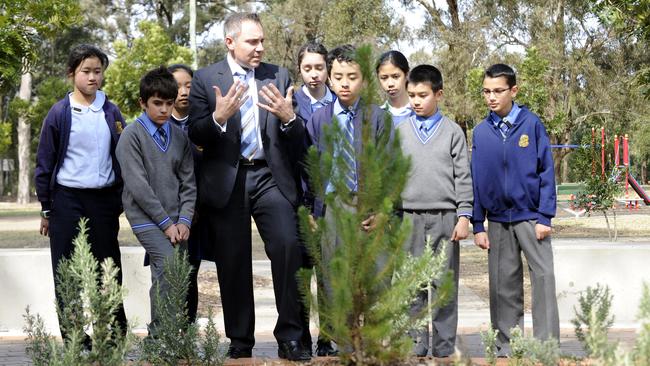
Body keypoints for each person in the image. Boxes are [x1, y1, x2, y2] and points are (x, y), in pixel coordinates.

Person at [187, 12, 310, 361]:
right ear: (230, 43)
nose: (260, 48)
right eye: (252, 42)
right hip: (228, 178)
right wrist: (218, 117)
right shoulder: (206, 78)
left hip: (270, 176)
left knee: (288, 246)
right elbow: (195, 133)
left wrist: (289, 119)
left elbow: (297, 136)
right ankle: (240, 340)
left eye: (262, 41)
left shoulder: (278, 75)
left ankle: (289, 337)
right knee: (233, 260)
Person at [34, 44, 128, 345]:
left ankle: (112, 334)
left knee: (107, 268)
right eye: (86, 71)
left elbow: (124, 154)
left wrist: (119, 197)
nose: (92, 78)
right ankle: (76, 338)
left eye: (97, 72)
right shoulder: (59, 113)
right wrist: (46, 209)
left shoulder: (111, 111)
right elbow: (45, 162)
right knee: (68, 273)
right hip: (66, 201)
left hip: (103, 202)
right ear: (72, 73)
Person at [304, 44, 389, 353]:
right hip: (331, 208)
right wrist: (311, 209)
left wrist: (381, 210)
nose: (344, 83)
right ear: (329, 77)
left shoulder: (377, 117)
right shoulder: (318, 119)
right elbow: (310, 169)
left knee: (373, 276)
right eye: (338, 76)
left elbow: (388, 166)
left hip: (366, 207)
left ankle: (372, 341)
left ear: (363, 79)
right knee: (331, 275)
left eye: (351, 76)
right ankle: (339, 344)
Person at [471, 63, 559, 356]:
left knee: (543, 277)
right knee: (502, 285)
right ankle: (507, 346)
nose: (491, 97)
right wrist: (478, 224)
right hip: (497, 220)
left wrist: (545, 215)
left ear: (513, 90)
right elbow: (477, 178)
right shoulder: (481, 133)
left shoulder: (531, 125)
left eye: (498, 91)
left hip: (532, 217)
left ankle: (547, 346)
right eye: (486, 91)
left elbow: (546, 171)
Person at [398, 65, 473, 357]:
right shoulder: (401, 131)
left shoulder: (453, 132)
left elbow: (463, 177)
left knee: (443, 285)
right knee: (412, 285)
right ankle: (415, 345)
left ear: (438, 94)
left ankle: (443, 348)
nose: (416, 101)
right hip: (409, 218)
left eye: (423, 95)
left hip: (445, 218)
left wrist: (464, 215)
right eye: (412, 95)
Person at [115, 67, 196, 336]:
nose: (163, 109)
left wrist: (184, 220)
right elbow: (138, 186)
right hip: (146, 219)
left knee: (176, 274)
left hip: (176, 219)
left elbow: (188, 183)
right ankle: (160, 337)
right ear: (143, 102)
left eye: (168, 104)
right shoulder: (131, 136)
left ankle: (173, 336)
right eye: (157, 103)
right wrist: (165, 224)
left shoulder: (180, 136)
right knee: (169, 265)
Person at [293, 41, 337, 357]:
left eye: (319, 68)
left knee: (328, 274)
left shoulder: (340, 104)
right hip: (298, 199)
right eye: (307, 68)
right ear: (300, 70)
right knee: (301, 271)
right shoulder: (291, 103)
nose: (313, 75)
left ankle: (327, 338)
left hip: (331, 202)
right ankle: (300, 339)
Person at [166, 63, 205, 323]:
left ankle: (187, 330)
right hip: (166, 214)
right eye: (177, 86)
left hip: (199, 213)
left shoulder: (204, 123)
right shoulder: (159, 124)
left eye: (188, 85)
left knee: (191, 271)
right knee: (167, 272)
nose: (183, 91)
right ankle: (166, 328)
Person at [376, 50, 412, 126]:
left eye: (395, 77)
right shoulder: (375, 117)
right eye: (384, 78)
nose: (390, 84)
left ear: (407, 75)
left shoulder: (422, 113)